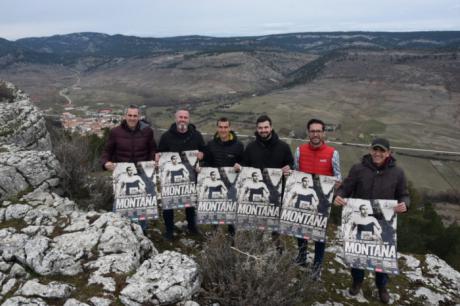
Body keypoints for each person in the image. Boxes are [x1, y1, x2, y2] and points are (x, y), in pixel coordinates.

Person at [334, 137, 409, 304]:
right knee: (357, 254)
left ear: (389, 153)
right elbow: (345, 188)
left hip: (383, 223)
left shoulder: (398, 173)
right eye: (375, 149)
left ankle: (381, 286)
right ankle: (357, 281)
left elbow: (404, 194)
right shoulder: (357, 169)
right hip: (359, 221)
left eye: (382, 150)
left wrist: (405, 204)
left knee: (382, 256)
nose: (378, 153)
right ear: (370, 150)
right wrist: (338, 196)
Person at [235, 115, 294, 250]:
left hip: (276, 194)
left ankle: (278, 250)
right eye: (260, 128)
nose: (263, 130)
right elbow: (245, 164)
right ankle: (258, 247)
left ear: (271, 128)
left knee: (276, 225)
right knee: (258, 224)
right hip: (258, 194)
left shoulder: (283, 146)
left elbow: (290, 163)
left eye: (266, 127)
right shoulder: (250, 147)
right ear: (257, 129)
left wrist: (289, 168)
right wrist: (240, 167)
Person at [293, 118, 342, 275]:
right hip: (303, 198)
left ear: (323, 133)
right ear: (308, 133)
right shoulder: (299, 150)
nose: (315, 134)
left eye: (318, 131)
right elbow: (296, 173)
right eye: (312, 131)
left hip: (322, 202)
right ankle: (301, 256)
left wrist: (335, 185)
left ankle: (317, 265)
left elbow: (338, 177)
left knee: (319, 234)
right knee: (301, 229)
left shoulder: (333, 153)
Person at [100, 105, 156, 232]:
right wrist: (105, 163)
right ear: (125, 116)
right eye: (130, 115)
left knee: (143, 202)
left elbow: (152, 148)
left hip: (142, 171)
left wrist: (153, 159)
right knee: (120, 202)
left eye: (135, 115)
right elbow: (107, 151)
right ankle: (118, 230)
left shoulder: (147, 131)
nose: (132, 118)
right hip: (122, 172)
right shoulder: (115, 132)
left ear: (139, 117)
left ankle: (142, 231)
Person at [157, 109, 205, 240]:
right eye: (180, 117)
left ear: (188, 120)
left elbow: (203, 151)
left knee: (190, 203)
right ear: (175, 118)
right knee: (168, 203)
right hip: (171, 179)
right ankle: (169, 230)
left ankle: (192, 227)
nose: (182, 120)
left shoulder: (197, 135)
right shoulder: (166, 137)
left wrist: (202, 155)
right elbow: (160, 153)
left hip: (190, 176)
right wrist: (158, 157)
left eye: (185, 117)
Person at [203, 117, 244, 235]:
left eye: (225, 127)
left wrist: (240, 165)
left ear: (229, 128)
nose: (223, 130)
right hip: (215, 184)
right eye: (220, 127)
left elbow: (244, 162)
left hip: (232, 185)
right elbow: (207, 162)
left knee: (230, 210)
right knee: (215, 209)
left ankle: (232, 236)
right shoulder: (210, 144)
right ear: (217, 128)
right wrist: (202, 169)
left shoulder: (238, 145)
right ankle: (215, 234)